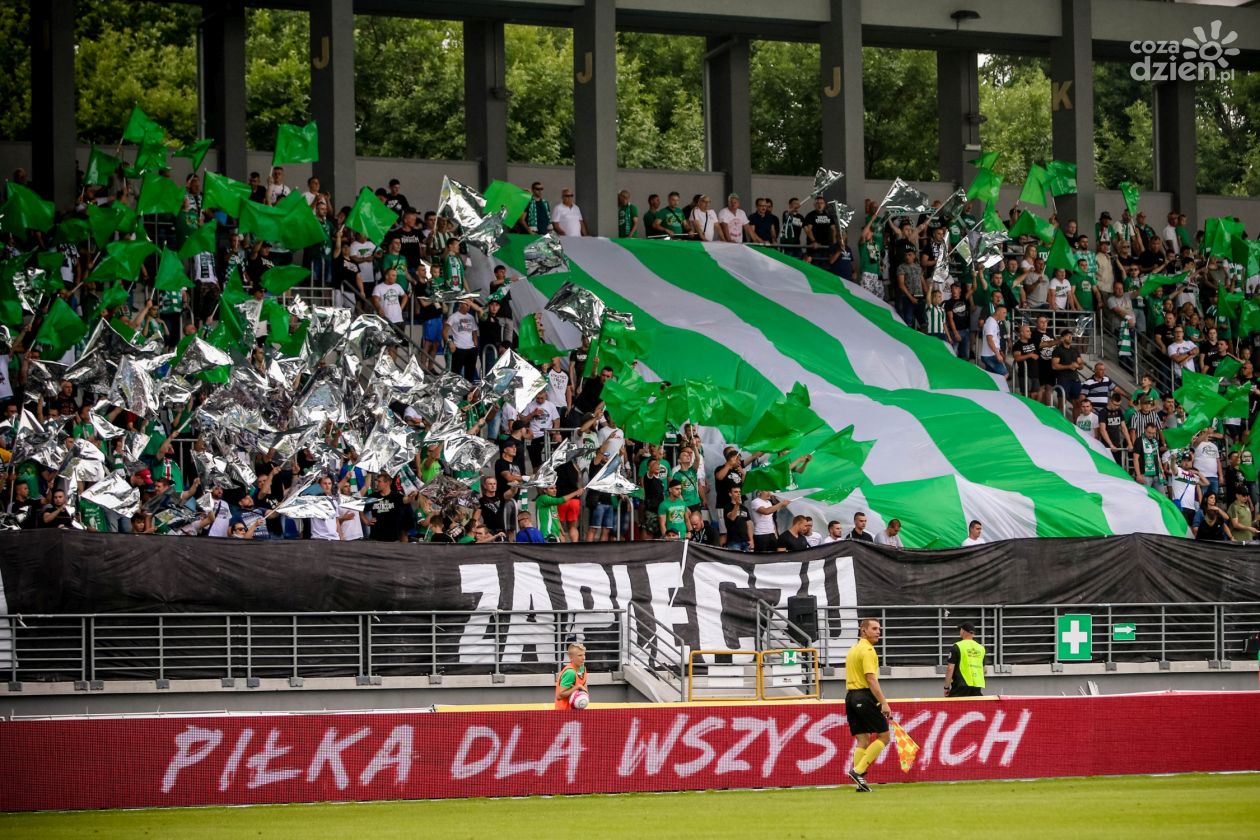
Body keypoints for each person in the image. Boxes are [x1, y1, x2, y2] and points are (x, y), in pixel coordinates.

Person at [845, 618, 891, 793]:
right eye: (874, 628)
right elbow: (871, 679)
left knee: (863, 740)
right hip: (863, 695)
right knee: (884, 736)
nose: (878, 631)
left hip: (850, 697)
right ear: (863, 631)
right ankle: (857, 771)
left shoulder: (853, 649)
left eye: (879, 628)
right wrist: (883, 702)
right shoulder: (868, 650)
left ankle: (860, 782)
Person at [944, 622, 986, 697]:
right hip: (976, 686)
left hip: (960, 686)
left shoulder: (957, 646)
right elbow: (984, 670)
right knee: (974, 708)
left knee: (956, 708)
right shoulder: (981, 648)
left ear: (963, 631)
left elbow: (950, 668)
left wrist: (946, 687)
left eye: (960, 629)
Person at [554, 641, 588, 710]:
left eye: (584, 654)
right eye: (580, 655)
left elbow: (584, 688)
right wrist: (576, 687)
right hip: (564, 712)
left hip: (577, 710)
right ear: (571, 658)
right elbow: (559, 696)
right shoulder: (570, 672)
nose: (583, 658)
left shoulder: (582, 668)